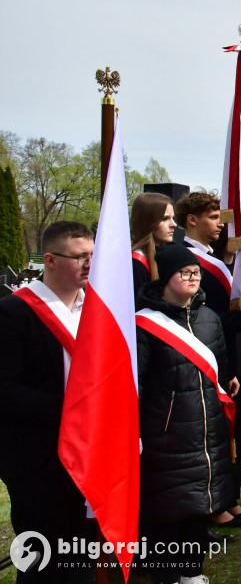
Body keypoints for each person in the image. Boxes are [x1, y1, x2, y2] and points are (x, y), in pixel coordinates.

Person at [135, 244, 238, 584]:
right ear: (166, 277)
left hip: (207, 434)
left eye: (196, 272)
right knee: (167, 511)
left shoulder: (209, 318)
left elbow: (219, 369)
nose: (194, 278)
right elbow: (139, 384)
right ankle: (164, 574)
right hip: (166, 434)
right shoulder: (143, 324)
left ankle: (193, 572)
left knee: (198, 507)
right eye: (185, 272)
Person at [0, 221, 95, 583]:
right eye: (80, 257)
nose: (89, 264)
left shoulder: (95, 310)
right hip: (38, 458)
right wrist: (75, 410)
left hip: (90, 452)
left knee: (81, 555)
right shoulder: (13, 313)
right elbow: (6, 391)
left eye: (92, 256)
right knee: (44, 563)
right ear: (51, 260)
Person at [175, 190, 241, 529]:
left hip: (231, 350)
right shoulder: (182, 258)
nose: (220, 225)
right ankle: (216, 504)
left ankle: (231, 496)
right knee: (217, 433)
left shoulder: (214, 259)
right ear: (192, 220)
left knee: (236, 428)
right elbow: (198, 315)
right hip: (206, 354)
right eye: (213, 217)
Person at [131, 192, 177, 300]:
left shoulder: (171, 254)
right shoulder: (136, 263)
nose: (174, 224)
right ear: (148, 222)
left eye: (172, 218)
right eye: (165, 218)